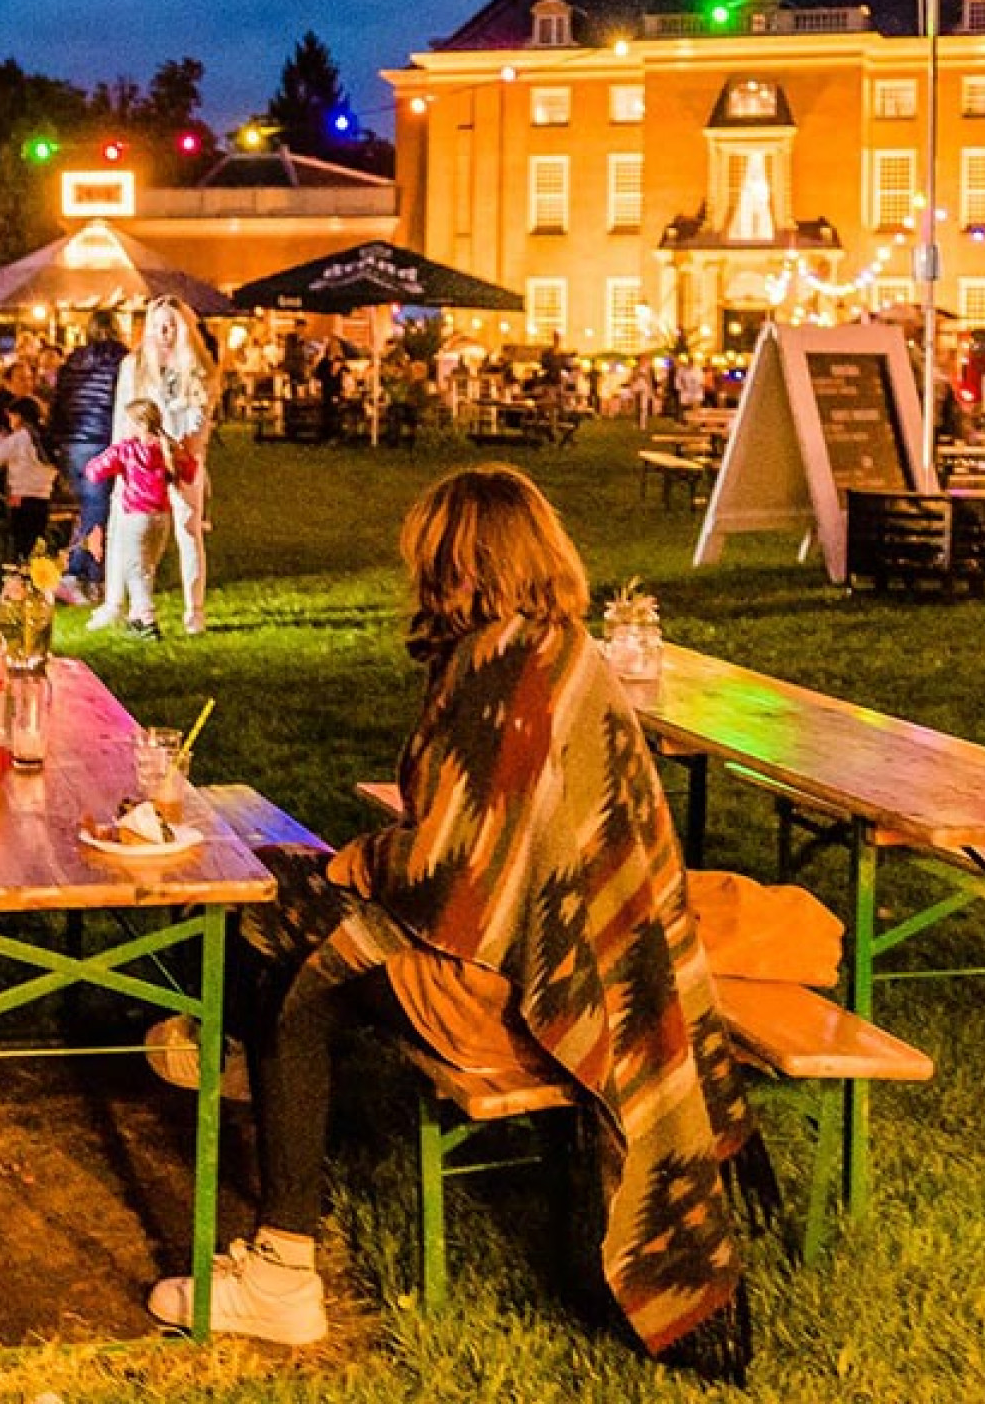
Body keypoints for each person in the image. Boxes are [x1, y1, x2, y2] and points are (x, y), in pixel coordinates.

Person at [146, 466, 769, 1364]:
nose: (417, 581)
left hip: (517, 990)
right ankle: (253, 1064)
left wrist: (365, 860)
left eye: (426, 563)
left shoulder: (497, 677)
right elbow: (494, 847)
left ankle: (281, 1269)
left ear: (458, 566)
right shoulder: (562, 652)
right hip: (589, 963)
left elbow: (454, 877)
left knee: (296, 966)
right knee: (284, 884)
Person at [92, 297, 216, 635]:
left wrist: (182, 455)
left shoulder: (199, 370)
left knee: (188, 531)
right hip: (140, 462)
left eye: (172, 324)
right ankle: (115, 603)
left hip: (180, 458)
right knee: (123, 528)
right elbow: (123, 416)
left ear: (185, 328)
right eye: (159, 324)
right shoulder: (134, 366)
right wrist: (121, 460)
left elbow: (200, 422)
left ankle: (194, 611)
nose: (165, 332)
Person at [84, 398, 195, 641]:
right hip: (161, 515)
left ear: (140, 424)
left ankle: (146, 619)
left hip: (135, 515)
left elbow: (94, 471)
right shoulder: (168, 447)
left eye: (128, 421)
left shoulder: (126, 450)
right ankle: (136, 617)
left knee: (134, 569)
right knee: (147, 567)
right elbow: (189, 471)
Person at [47, 309, 128, 605]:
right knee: (97, 511)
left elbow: (59, 400)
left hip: (71, 441)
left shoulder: (73, 360)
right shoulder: (123, 361)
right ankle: (80, 574)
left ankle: (89, 576)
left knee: (89, 508)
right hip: (101, 439)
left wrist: (55, 439)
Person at [0, 395, 59, 560]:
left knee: (21, 540)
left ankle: (20, 575)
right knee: (37, 540)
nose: (10, 422)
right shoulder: (44, 437)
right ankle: (37, 574)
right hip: (43, 497)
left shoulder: (21, 437)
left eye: (11, 417)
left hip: (20, 496)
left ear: (19, 416)